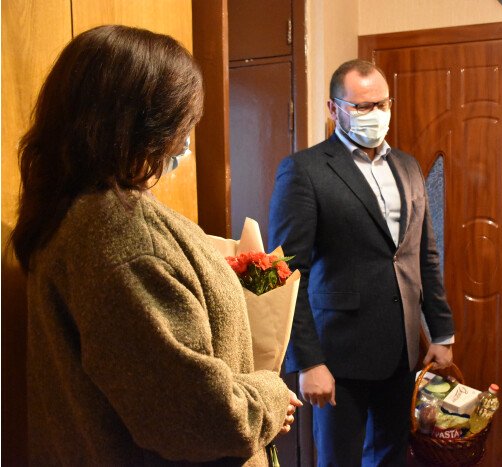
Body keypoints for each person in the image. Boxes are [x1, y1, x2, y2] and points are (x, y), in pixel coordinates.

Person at [10, 25, 301, 466]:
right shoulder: (120, 236)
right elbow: (199, 418)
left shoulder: (80, 212)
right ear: (140, 123)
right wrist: (270, 395)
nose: (185, 141)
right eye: (183, 123)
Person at [268, 59, 455, 466]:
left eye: (382, 104)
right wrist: (308, 361)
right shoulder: (304, 170)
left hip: (401, 351)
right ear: (333, 109)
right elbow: (286, 273)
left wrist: (441, 332)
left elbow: (423, 254)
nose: (375, 114)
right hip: (337, 357)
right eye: (362, 106)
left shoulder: (407, 166)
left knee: (391, 458)